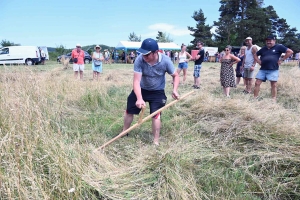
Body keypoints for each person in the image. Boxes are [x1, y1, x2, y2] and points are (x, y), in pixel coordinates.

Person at [122, 38, 179, 145]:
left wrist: (175, 90)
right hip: (141, 88)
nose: (144, 57)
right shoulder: (139, 60)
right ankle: (124, 132)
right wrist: (139, 98)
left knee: (156, 115)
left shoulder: (166, 61)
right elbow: (136, 80)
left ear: (156, 52)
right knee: (130, 109)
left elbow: (175, 76)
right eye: (143, 54)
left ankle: (155, 141)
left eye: (147, 55)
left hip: (157, 91)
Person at [253, 35, 293, 101]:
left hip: (273, 69)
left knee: (273, 84)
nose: (268, 42)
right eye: (267, 41)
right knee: (257, 83)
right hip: (263, 69)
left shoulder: (279, 47)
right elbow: (255, 55)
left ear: (274, 41)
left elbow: (290, 51)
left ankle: (273, 99)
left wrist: (282, 60)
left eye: (270, 41)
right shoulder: (263, 48)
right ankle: (255, 98)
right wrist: (258, 61)